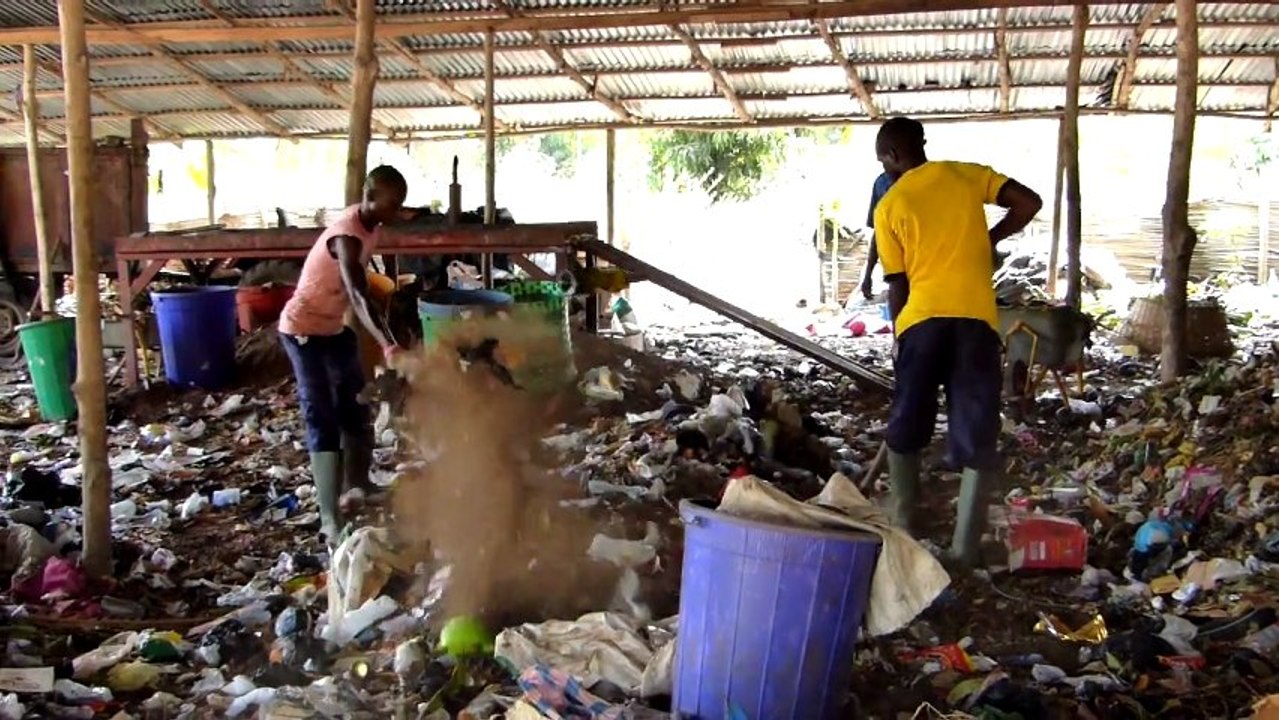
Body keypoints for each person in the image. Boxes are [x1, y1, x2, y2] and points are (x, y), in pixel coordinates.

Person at [871, 117, 1042, 566]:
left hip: (922, 323)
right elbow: (1029, 202)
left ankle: (907, 528)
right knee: (977, 425)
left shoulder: (890, 205)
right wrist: (990, 238)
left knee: (908, 423)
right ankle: (964, 548)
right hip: (975, 324)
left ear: (891, 155)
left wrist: (898, 335)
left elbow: (897, 284)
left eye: (883, 162)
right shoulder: (966, 175)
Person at [278, 165, 409, 543]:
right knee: (322, 415)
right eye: (392, 204)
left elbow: (366, 288)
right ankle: (330, 516)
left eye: (400, 205)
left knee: (356, 402)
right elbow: (356, 292)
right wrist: (387, 343)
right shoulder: (346, 238)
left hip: (333, 329)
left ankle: (360, 484)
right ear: (370, 197)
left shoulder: (372, 226)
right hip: (302, 331)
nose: (397, 212)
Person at [859, 171, 896, 300]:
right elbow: (878, 233)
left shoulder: (928, 182)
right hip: (896, 275)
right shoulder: (881, 183)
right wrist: (868, 275)